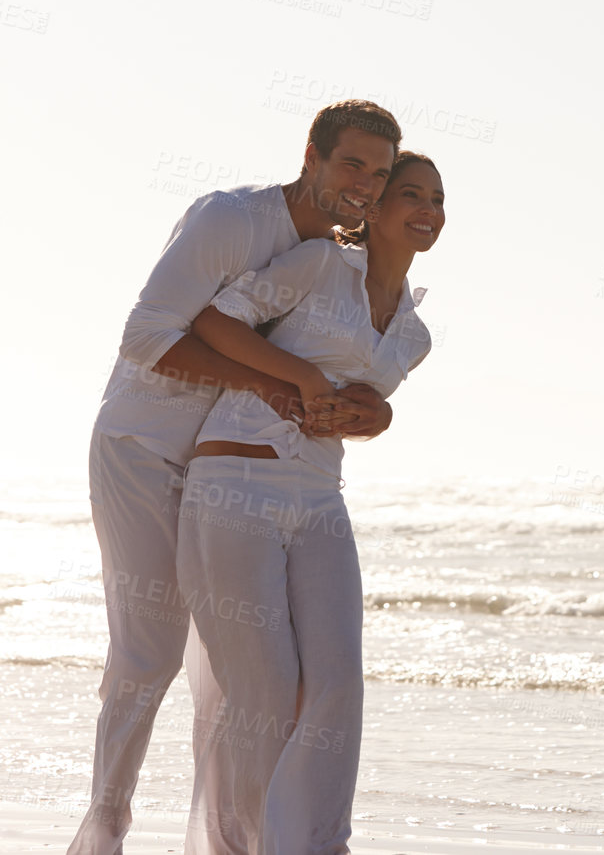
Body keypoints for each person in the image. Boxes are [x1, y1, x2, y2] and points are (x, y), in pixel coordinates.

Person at [68, 102, 401, 855]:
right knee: (148, 652)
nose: (364, 187)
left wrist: (370, 413)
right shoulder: (233, 220)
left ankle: (237, 839)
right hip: (143, 448)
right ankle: (105, 829)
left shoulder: (336, 262)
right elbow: (147, 337)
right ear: (311, 155)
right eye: (352, 164)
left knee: (232, 676)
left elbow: (355, 366)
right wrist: (267, 385)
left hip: (229, 476)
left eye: (379, 176)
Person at [176, 151, 445, 855]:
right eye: (410, 193)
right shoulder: (321, 264)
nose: (428, 208)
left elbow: (365, 403)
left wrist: (372, 417)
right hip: (237, 480)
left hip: (321, 497)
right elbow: (215, 323)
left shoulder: (415, 337)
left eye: (438, 199)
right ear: (377, 207)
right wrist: (299, 377)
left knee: (337, 686)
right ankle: (251, 844)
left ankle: (315, 845)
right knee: (263, 690)